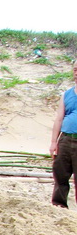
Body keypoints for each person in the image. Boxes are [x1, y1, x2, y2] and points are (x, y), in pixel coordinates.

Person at [50, 60, 77, 208]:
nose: (76, 73)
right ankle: (59, 205)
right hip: (65, 140)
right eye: (75, 70)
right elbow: (59, 118)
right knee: (60, 174)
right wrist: (54, 142)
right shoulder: (67, 94)